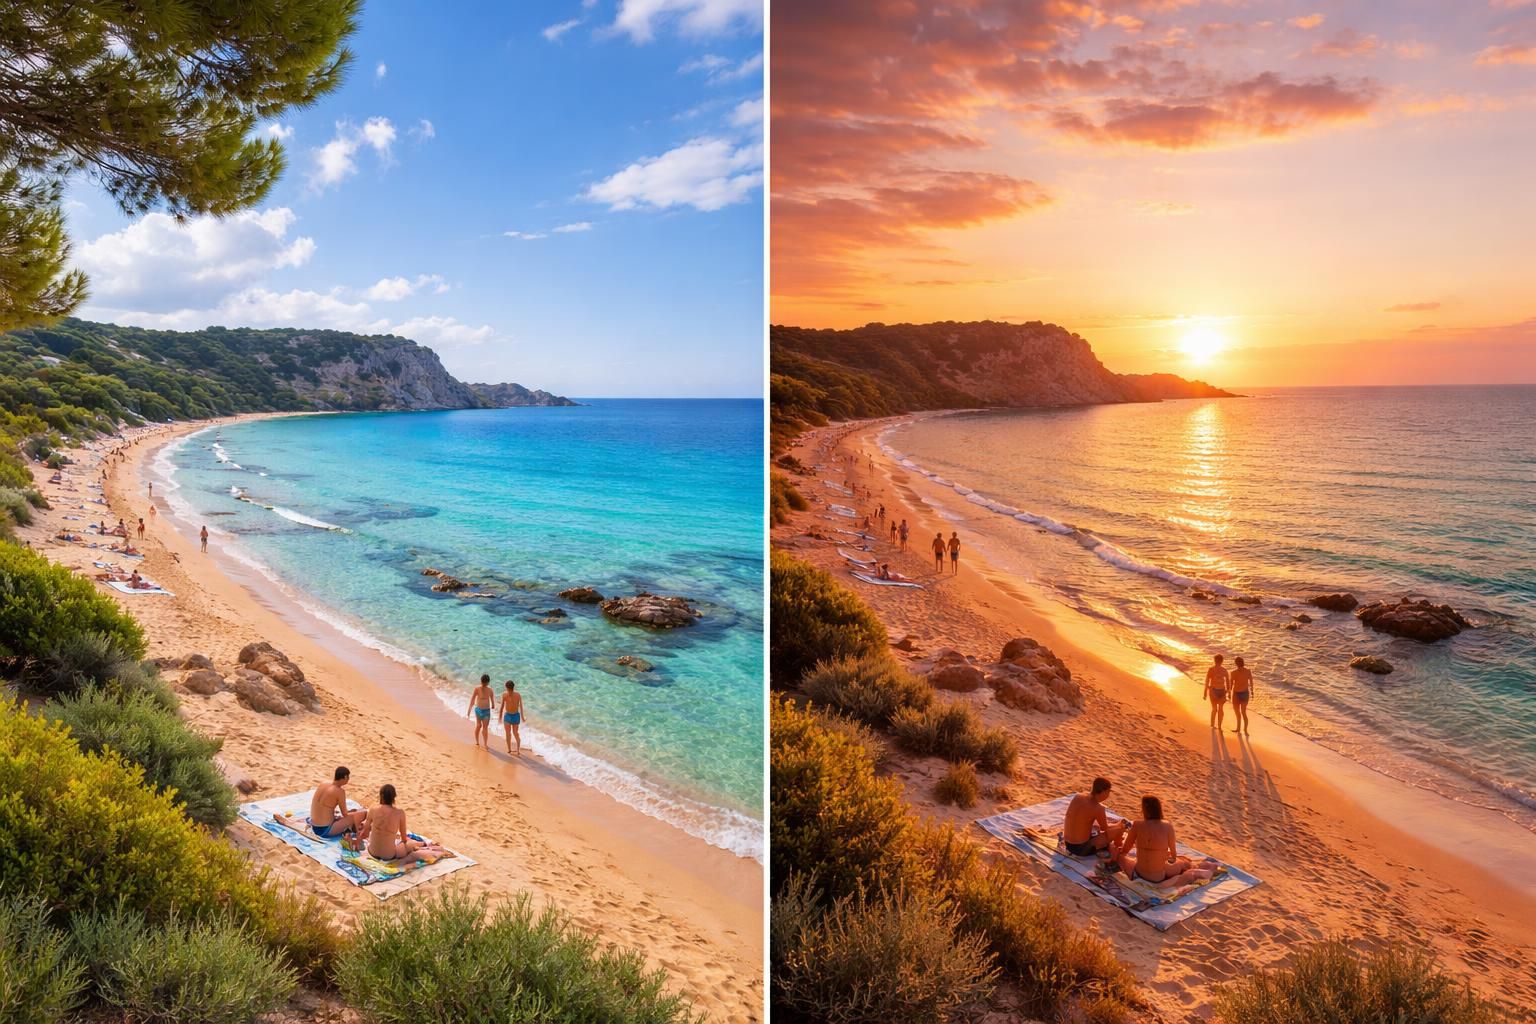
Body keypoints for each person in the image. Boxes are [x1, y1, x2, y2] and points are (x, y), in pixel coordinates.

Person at [1112, 795, 1217, 886]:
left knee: (1121, 856)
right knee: (1182, 863)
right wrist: (1164, 856)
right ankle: (1196, 867)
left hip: (1138, 873)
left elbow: (1125, 849)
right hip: (1159, 877)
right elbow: (1173, 856)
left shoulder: (1137, 824)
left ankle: (1192, 867)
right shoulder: (1167, 826)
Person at [361, 784, 450, 863]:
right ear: (394, 797)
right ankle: (424, 844)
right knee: (409, 844)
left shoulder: (373, 810)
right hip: (389, 855)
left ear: (381, 796)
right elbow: (404, 838)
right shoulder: (399, 813)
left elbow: (365, 831)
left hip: (372, 852)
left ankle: (423, 844)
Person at [1063, 777, 1125, 856]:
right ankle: (1119, 849)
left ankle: (1113, 846)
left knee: (1097, 827)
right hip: (1081, 849)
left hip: (1068, 843)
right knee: (1120, 829)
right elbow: (1105, 828)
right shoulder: (1098, 808)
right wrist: (1117, 826)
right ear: (1104, 792)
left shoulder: (1079, 796)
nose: (1108, 795)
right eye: (1108, 792)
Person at [306, 766, 368, 841]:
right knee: (359, 815)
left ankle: (353, 827)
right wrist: (355, 814)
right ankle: (357, 832)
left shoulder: (324, 783)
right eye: (348, 777)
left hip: (313, 824)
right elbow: (345, 814)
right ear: (345, 777)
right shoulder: (340, 791)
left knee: (352, 813)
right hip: (324, 830)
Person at [467, 673, 495, 748]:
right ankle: (477, 741)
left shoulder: (490, 690)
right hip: (478, 710)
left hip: (486, 711)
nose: (484, 684)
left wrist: (493, 705)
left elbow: (492, 698)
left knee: (485, 727)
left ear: (488, 682)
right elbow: (472, 699)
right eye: (483, 683)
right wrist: (469, 710)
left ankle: (485, 744)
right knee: (479, 726)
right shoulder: (477, 689)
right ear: (481, 681)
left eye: (485, 683)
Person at [499, 680, 525, 755]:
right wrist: (500, 716)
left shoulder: (517, 695)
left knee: (515, 733)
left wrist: (522, 717)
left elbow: (521, 707)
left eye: (509, 689)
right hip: (507, 716)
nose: (508, 691)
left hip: (515, 716)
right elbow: (502, 706)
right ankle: (509, 749)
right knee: (508, 733)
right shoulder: (504, 695)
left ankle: (518, 749)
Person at [1203, 654, 1229, 731]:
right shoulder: (1224, 670)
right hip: (1222, 691)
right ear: (1222, 661)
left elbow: (1207, 682)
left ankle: (1212, 724)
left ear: (1214, 661)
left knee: (1214, 708)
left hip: (1213, 691)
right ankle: (1220, 726)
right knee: (1221, 709)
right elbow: (1228, 682)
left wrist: (1205, 693)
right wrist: (1228, 693)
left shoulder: (1211, 669)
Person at [1229, 656, 1253, 735]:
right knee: (1243, 712)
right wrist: (1252, 692)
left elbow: (1231, 685)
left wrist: (1228, 693)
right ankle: (1245, 730)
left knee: (1238, 713)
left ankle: (1238, 728)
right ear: (1243, 663)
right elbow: (1251, 682)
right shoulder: (1248, 671)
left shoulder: (1233, 673)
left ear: (1236, 663)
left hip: (1236, 694)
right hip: (1245, 693)